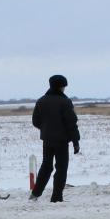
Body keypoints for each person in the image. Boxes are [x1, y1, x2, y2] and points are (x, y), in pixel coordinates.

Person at [30, 74, 80, 202]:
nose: (64, 89)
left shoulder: (41, 101)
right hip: (62, 141)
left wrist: (46, 129)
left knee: (46, 167)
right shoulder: (65, 102)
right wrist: (75, 141)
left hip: (47, 140)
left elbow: (35, 121)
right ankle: (56, 197)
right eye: (64, 86)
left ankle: (35, 194)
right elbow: (71, 123)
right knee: (61, 168)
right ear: (61, 87)